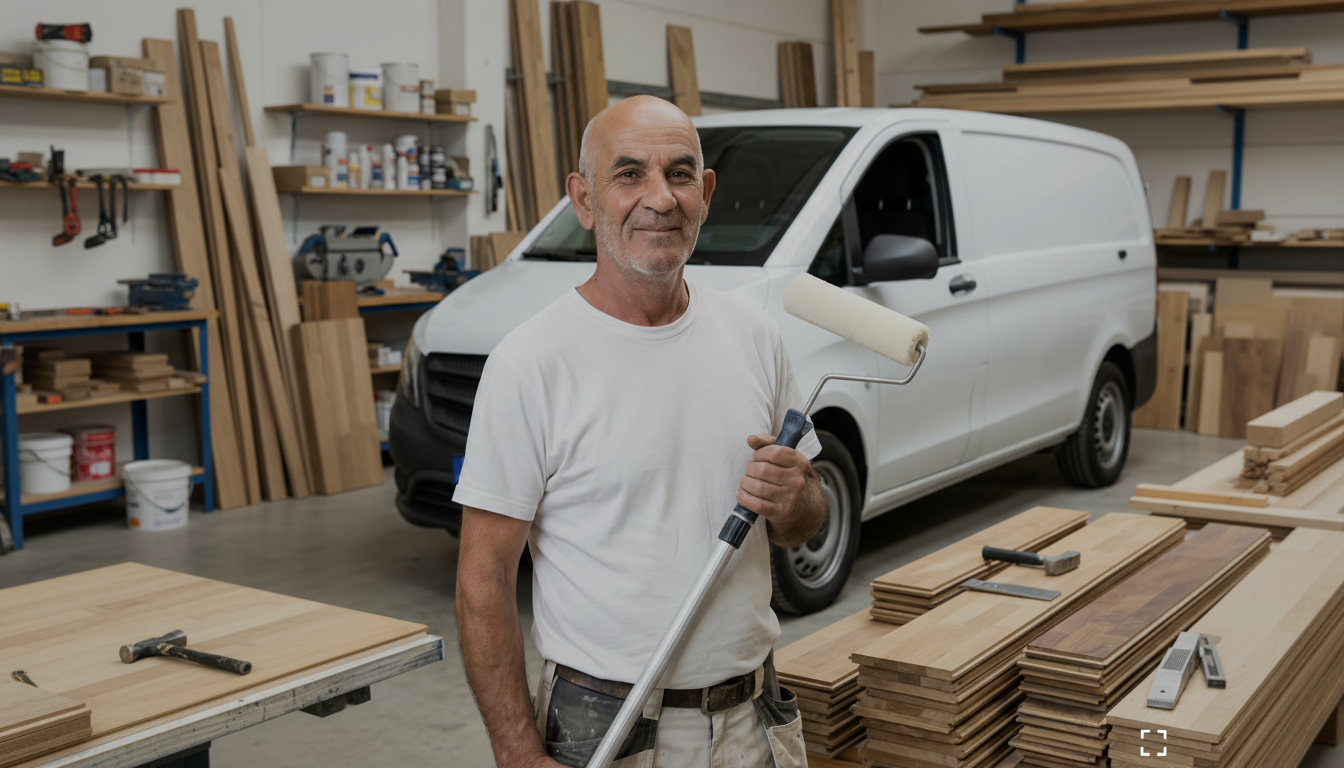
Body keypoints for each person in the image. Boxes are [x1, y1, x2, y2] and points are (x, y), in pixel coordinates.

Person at [454, 94, 827, 768]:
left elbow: (802, 525)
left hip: (752, 718)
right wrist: (514, 748)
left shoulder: (755, 337)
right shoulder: (531, 363)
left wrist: (797, 497)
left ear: (705, 192)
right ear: (584, 199)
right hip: (604, 727)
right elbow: (483, 579)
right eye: (629, 175)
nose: (660, 198)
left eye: (680, 174)